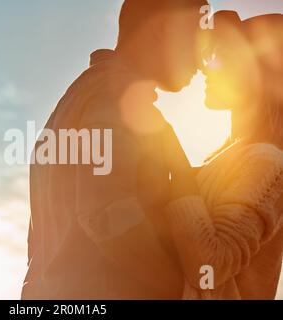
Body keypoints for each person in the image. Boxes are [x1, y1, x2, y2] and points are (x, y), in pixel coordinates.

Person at [22, 0, 208, 299]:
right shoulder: (114, 97)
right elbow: (106, 215)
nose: (201, 63)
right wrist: (181, 290)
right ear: (163, 31)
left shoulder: (78, 99)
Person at [165, 11, 283, 299]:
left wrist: (175, 165)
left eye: (222, 57)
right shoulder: (232, 158)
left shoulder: (269, 163)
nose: (207, 67)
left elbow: (210, 266)